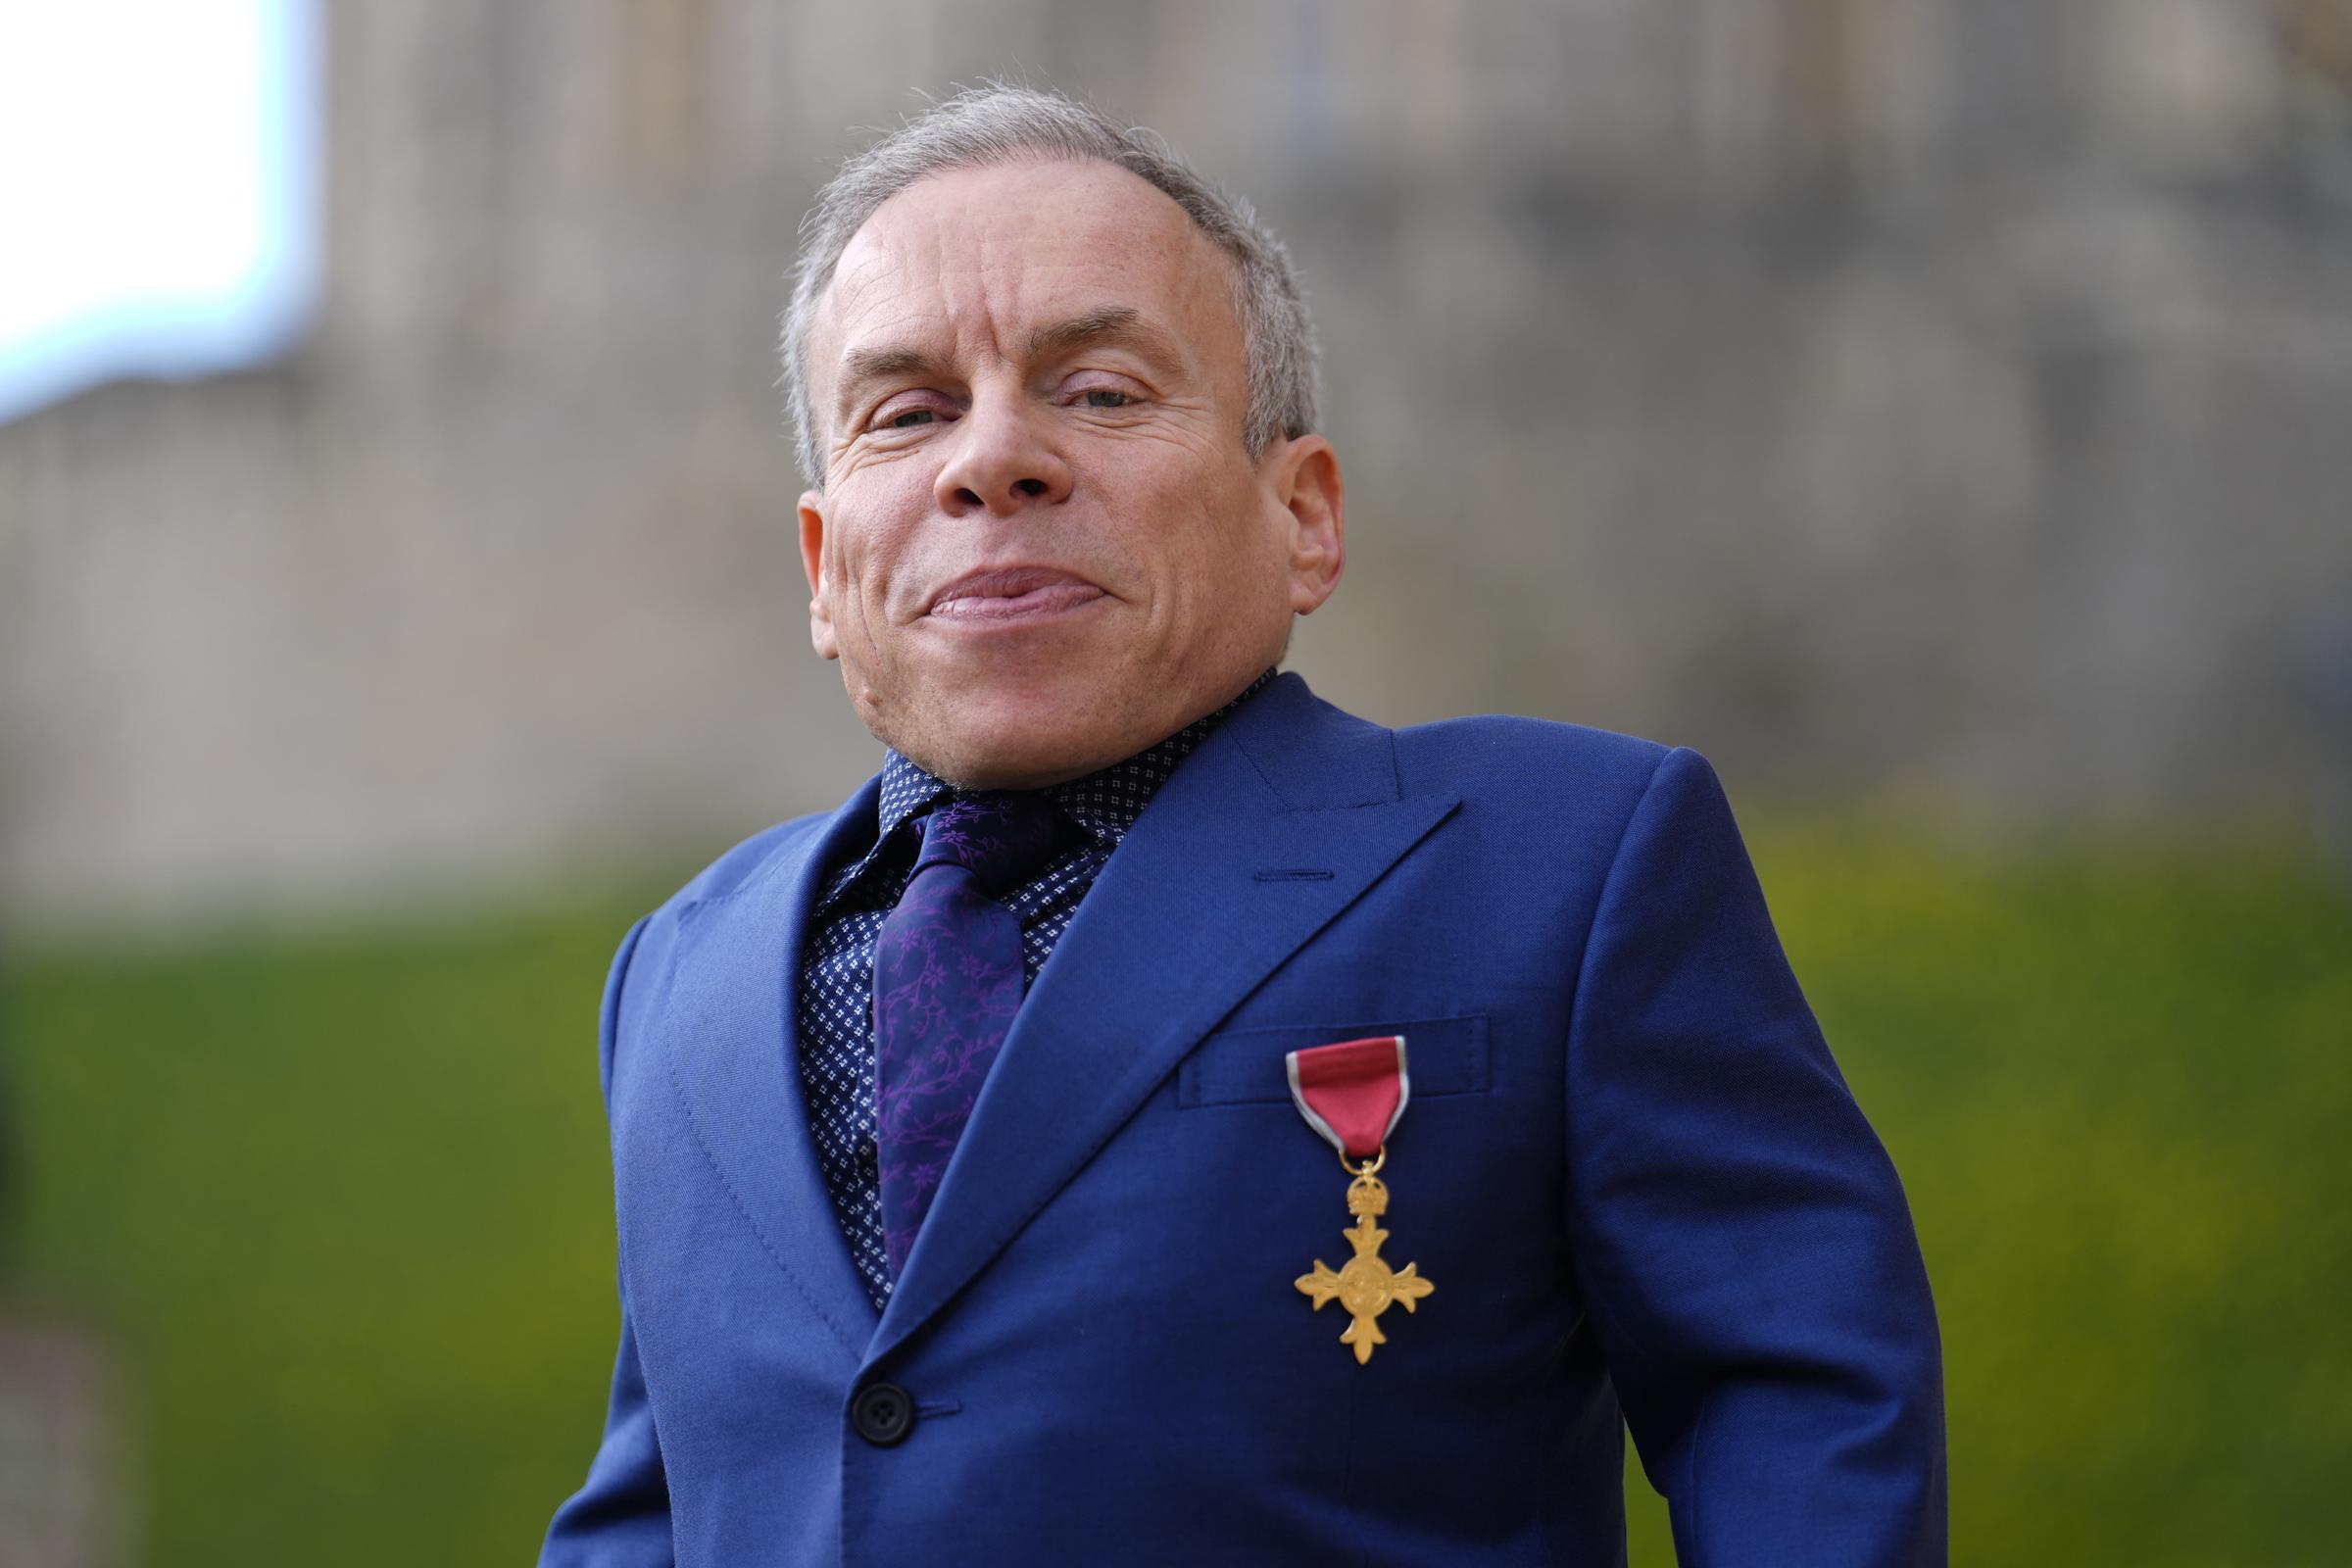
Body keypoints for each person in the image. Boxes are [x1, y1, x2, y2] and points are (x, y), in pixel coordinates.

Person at [540, 84, 1944, 1567]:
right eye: (907, 413)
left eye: (1099, 390)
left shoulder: (1564, 868)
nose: (990, 459)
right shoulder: (680, 981)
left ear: (1304, 516)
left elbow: (1804, 1412)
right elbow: (654, 1518)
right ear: (825, 571)